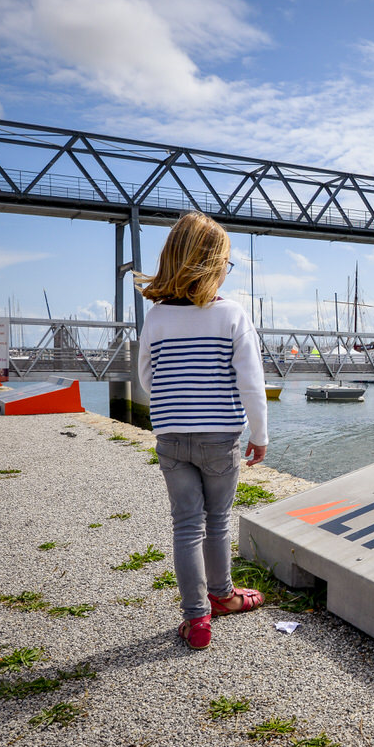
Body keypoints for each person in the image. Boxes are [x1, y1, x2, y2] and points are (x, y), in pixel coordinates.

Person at [136, 213, 270, 651]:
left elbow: (146, 379)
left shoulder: (155, 317)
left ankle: (197, 622)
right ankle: (223, 595)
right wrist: (260, 435)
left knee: (186, 526)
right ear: (212, 265)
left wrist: (176, 405)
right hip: (221, 437)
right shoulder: (231, 314)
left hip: (172, 438)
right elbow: (250, 381)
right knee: (217, 520)